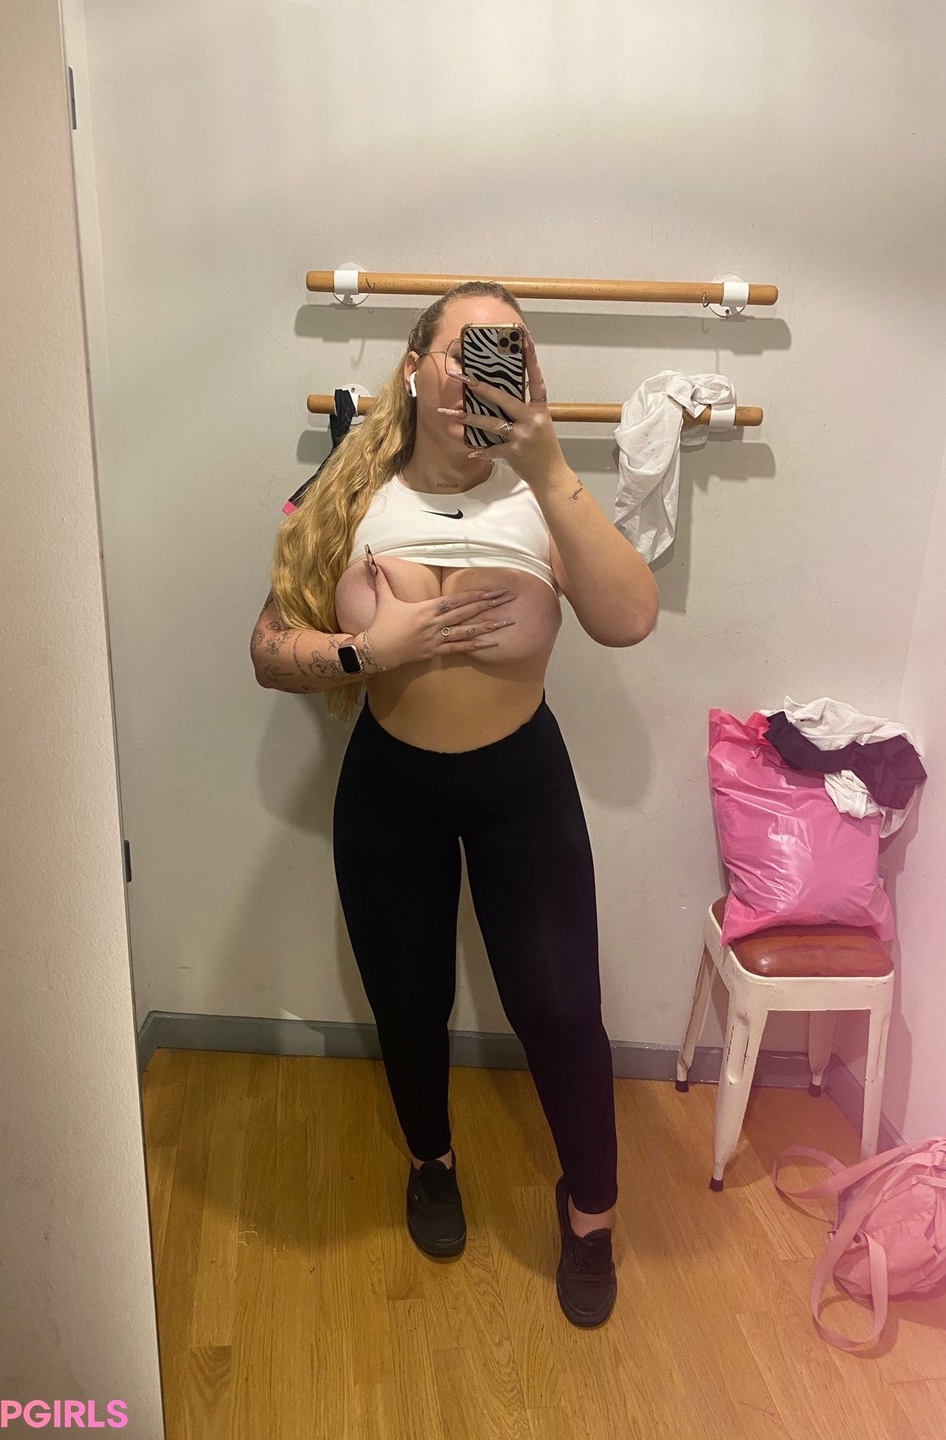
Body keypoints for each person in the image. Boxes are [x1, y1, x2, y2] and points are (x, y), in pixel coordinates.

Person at [250, 281, 659, 1327]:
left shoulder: (542, 498)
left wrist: (551, 465)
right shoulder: (346, 494)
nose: (487, 373)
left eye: (512, 352)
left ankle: (591, 1213)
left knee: (560, 1009)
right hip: (392, 787)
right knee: (408, 998)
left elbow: (629, 620)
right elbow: (268, 649)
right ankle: (430, 1163)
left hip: (522, 784)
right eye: (468, 350)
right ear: (415, 368)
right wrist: (365, 651)